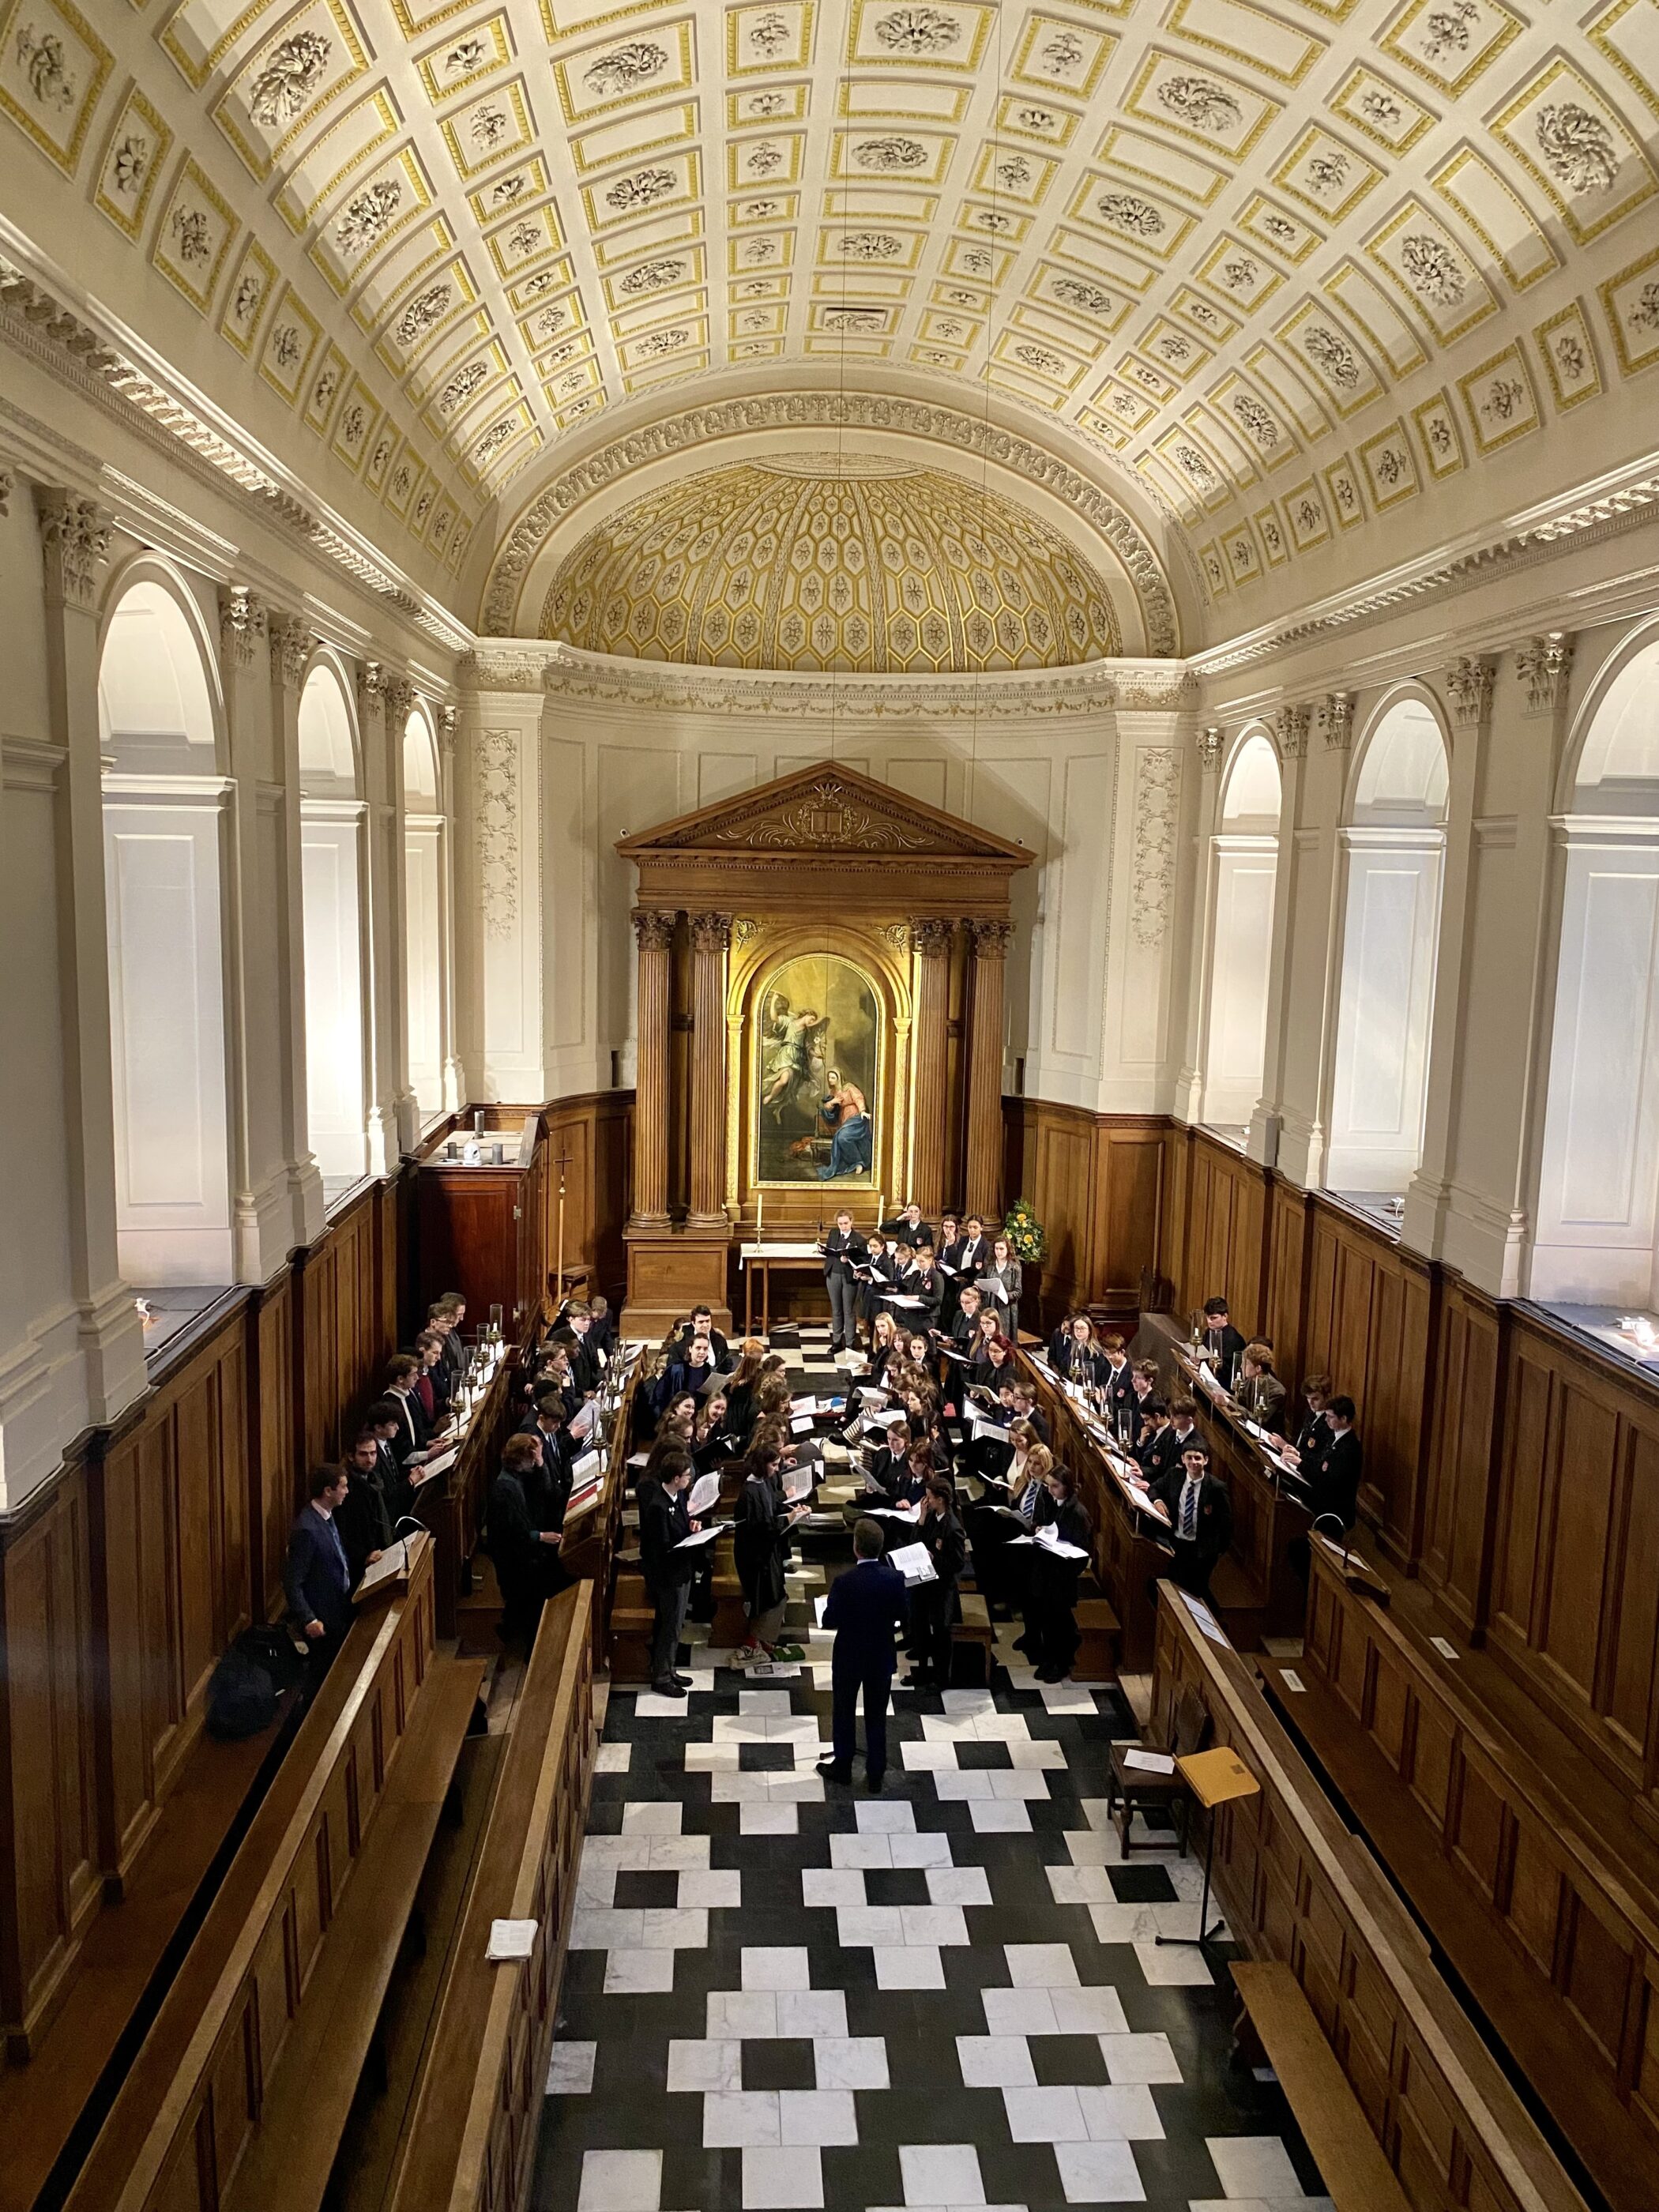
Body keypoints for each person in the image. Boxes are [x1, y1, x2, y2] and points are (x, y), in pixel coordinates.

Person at [818, 1518, 908, 1791]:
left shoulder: (845, 1582)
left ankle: (843, 1766)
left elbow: (829, 1620)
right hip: (880, 1655)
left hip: (849, 1656)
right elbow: (903, 1616)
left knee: (844, 1710)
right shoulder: (894, 1579)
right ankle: (876, 1772)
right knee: (876, 1714)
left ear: (856, 1547)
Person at [487, 1432, 570, 1649]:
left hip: (522, 1550)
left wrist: (541, 1462)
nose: (533, 1463)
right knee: (539, 1591)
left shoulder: (518, 1476)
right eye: (530, 1458)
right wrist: (541, 1537)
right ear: (519, 1458)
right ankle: (533, 1647)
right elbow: (512, 1532)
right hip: (514, 1559)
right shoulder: (505, 1489)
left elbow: (548, 1490)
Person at [734, 1443, 806, 1664]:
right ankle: (753, 1640)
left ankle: (762, 1638)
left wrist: (793, 1512)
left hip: (766, 1552)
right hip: (756, 1557)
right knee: (767, 1598)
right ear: (761, 1465)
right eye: (773, 1465)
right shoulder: (750, 1491)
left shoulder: (761, 1483)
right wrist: (789, 1518)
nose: (776, 1469)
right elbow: (761, 1527)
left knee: (775, 1595)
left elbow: (772, 1504)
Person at [1021, 1462, 1093, 1682]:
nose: (1050, 1490)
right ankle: (1048, 1659)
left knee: (1059, 1623)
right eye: (1048, 1485)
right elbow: (1045, 1525)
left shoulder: (1078, 1512)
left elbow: (1083, 1552)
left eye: (1055, 1486)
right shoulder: (1051, 1502)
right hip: (1045, 1573)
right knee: (1046, 1620)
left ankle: (1060, 1664)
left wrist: (1063, 1553)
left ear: (1067, 1487)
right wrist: (1039, 1531)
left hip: (1061, 1579)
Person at [637, 1447, 699, 1696]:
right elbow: (662, 1547)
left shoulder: (678, 1497)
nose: (689, 1479)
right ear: (675, 1479)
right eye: (686, 1475)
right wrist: (689, 1538)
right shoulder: (658, 1506)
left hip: (681, 1570)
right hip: (668, 1575)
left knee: (677, 1624)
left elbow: (681, 1525)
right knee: (669, 1627)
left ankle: (670, 1668)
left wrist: (691, 1527)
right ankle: (661, 1677)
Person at [284, 1465, 357, 1665]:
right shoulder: (307, 1529)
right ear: (328, 1491)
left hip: (338, 1610)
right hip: (322, 1620)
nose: (347, 1491)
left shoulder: (327, 1516)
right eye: (343, 1487)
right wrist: (309, 1619)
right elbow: (293, 1582)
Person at [905, 1477, 965, 1690]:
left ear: (940, 1500)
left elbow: (958, 1563)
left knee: (940, 1634)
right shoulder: (930, 1517)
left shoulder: (953, 1527)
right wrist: (920, 1519)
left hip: (942, 1589)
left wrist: (935, 1558)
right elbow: (915, 1542)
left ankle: (941, 1678)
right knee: (919, 1627)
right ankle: (922, 1670)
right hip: (924, 1582)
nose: (926, 1501)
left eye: (929, 1498)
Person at [1156, 1440, 1233, 1601]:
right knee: (1175, 1584)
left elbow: (1226, 1523)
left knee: (1196, 1589)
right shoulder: (1174, 1476)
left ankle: (1216, 1620)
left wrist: (1217, 1550)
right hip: (1177, 1541)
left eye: (1197, 1458)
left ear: (1205, 1460)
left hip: (1201, 1549)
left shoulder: (1216, 1487)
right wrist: (1158, 1501)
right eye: (1189, 1458)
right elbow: (1154, 1488)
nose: (1193, 1462)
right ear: (1183, 1459)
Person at [335, 1433, 393, 1579]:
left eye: (373, 1453)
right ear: (351, 1456)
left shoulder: (374, 1478)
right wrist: (363, 1558)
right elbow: (344, 1531)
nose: (370, 1460)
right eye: (363, 1454)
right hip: (360, 1566)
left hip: (378, 1554)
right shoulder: (346, 1489)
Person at [1312, 1396, 1363, 1533]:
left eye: (1330, 1416)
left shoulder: (1349, 1448)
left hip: (1335, 1513)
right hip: (1326, 1503)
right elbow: (1320, 1463)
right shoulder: (1335, 1436)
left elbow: (1330, 1481)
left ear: (1344, 1419)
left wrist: (1301, 1465)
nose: (1326, 1420)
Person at [820, 1208, 867, 1352]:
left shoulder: (859, 1239)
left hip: (849, 1277)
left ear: (851, 1222)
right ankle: (836, 1341)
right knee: (836, 1310)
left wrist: (849, 1259)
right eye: (840, 1224)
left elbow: (862, 1261)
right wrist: (825, 1251)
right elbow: (831, 1250)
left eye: (846, 1223)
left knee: (849, 1310)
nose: (843, 1226)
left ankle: (850, 1342)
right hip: (833, 1273)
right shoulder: (834, 1233)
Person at [1233, 1341, 1287, 1435]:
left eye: (1246, 1364)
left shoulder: (1277, 1392)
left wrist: (1229, 1403)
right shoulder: (1251, 1380)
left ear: (1258, 1368)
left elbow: (1259, 1420)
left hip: (1267, 1437)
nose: (1242, 1366)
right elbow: (1240, 1401)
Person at [978, 1233, 1023, 1340]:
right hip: (991, 1304)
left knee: (1004, 1337)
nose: (999, 1252)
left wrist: (1004, 1294)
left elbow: (1018, 1291)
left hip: (1006, 1309)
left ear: (1008, 1249)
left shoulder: (1014, 1268)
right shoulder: (990, 1266)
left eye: (1002, 1249)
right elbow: (982, 1279)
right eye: (996, 1248)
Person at [1199, 1296, 1247, 1381]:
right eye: (1207, 1317)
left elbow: (1225, 1369)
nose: (1209, 1321)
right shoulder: (1209, 1331)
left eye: (1214, 1318)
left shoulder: (1232, 1339)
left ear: (1225, 1316)